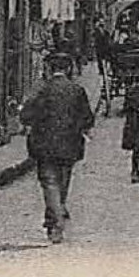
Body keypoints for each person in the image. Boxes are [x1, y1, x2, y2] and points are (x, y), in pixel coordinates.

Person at [19, 50, 96, 243]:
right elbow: (87, 118)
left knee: (49, 183)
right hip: (70, 143)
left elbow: (26, 116)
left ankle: (55, 220)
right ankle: (57, 212)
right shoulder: (77, 90)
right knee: (63, 181)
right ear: (69, 68)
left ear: (49, 69)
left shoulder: (41, 90)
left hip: (44, 144)